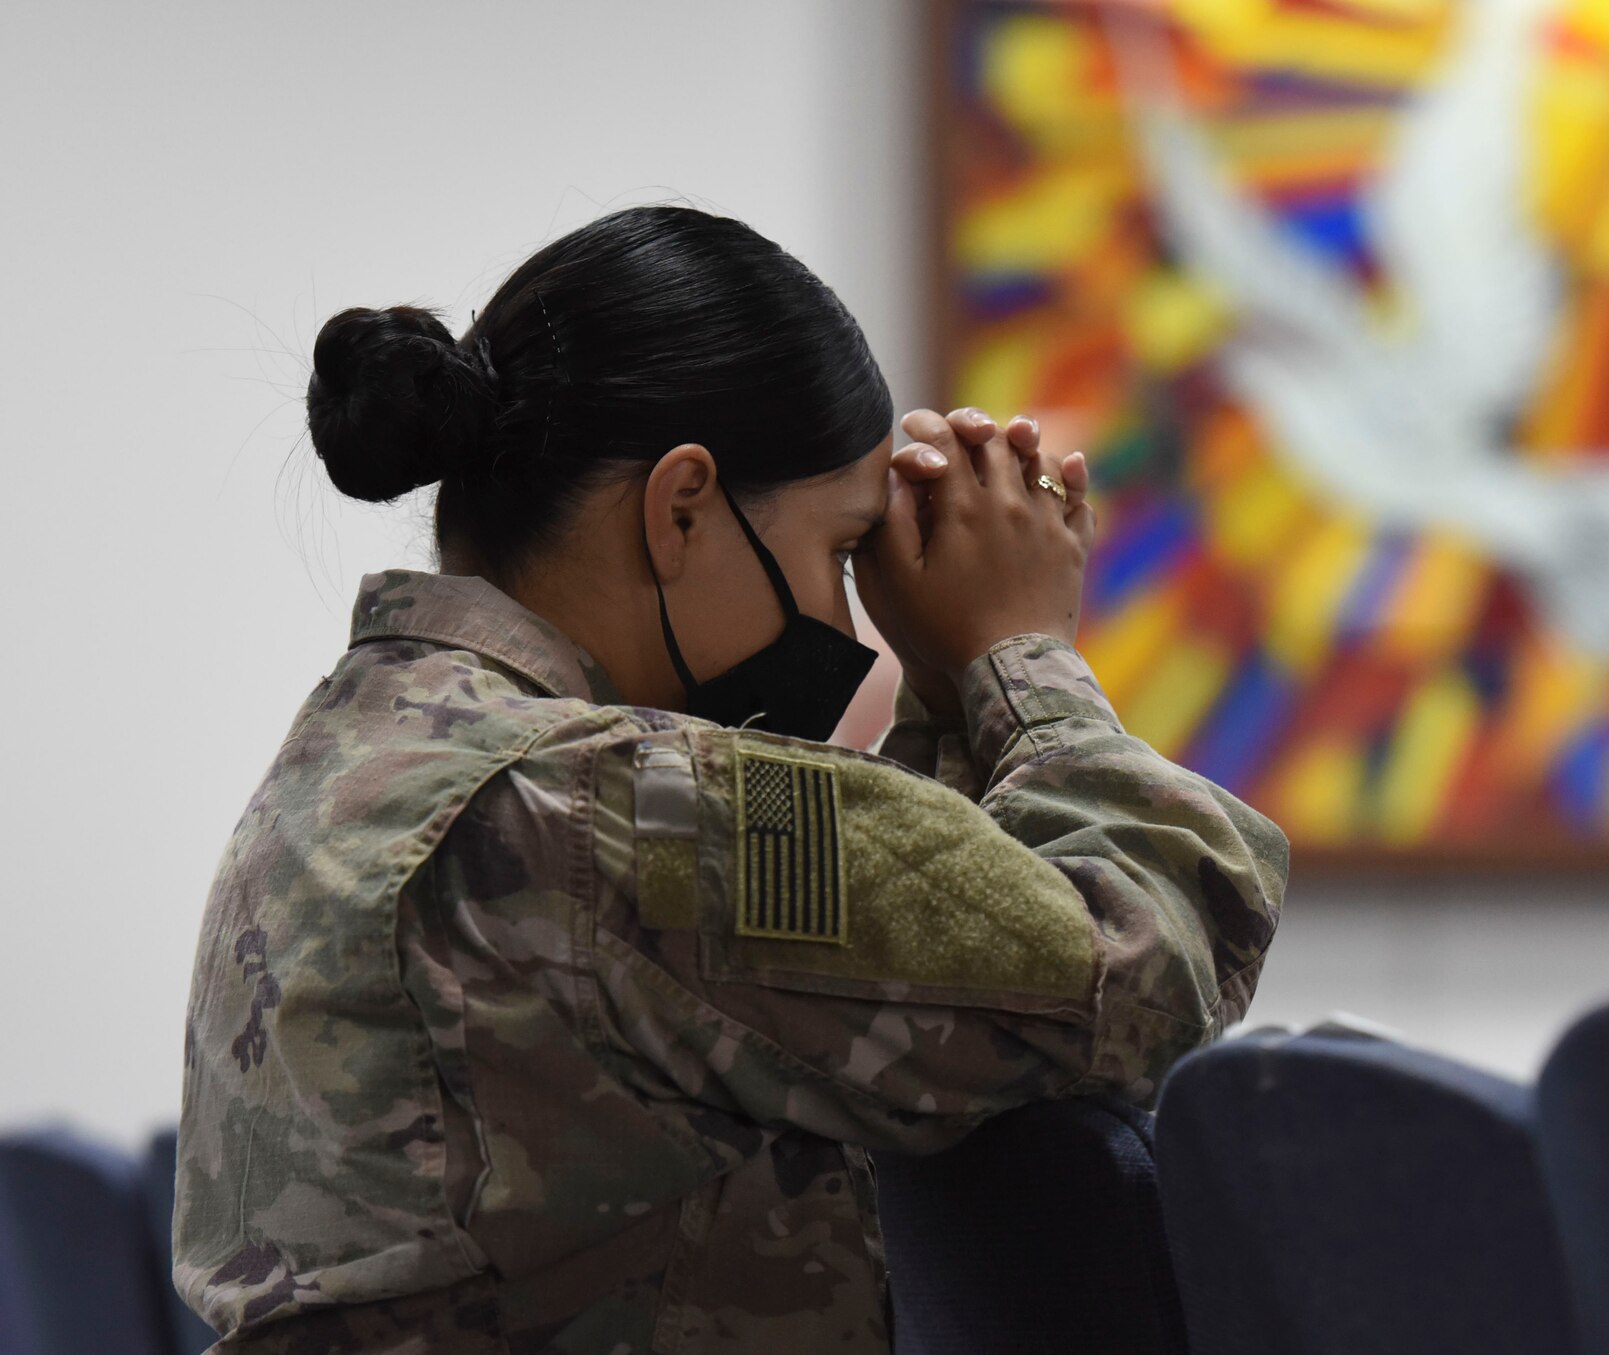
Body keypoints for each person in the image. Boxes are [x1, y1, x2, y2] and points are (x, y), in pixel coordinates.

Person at [174, 204, 1289, 1354]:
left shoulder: (358, 752)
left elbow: (895, 986)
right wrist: (1022, 653)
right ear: (681, 508)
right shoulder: (604, 806)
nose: (848, 616)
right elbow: (1134, 975)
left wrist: (948, 699)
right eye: (838, 551)